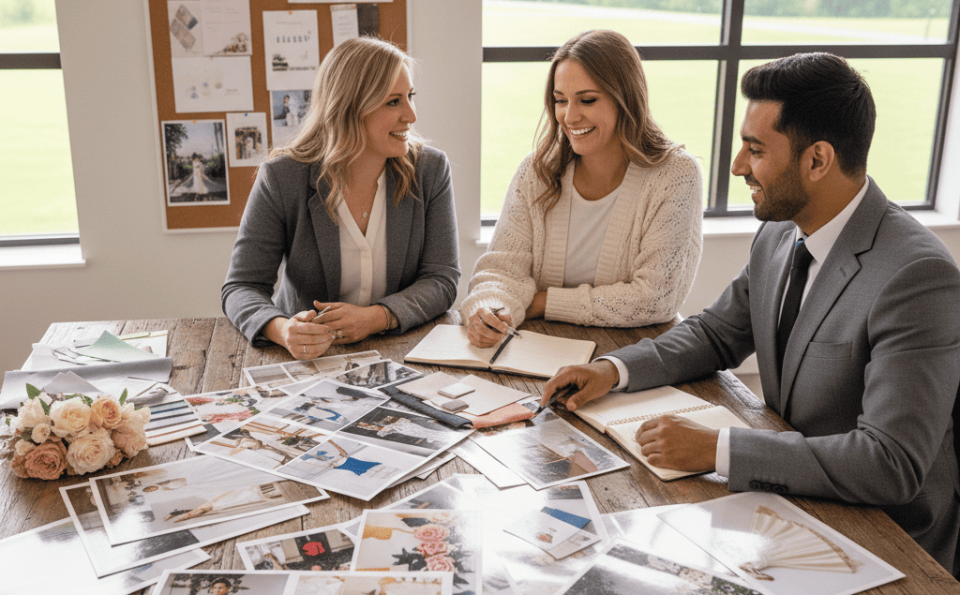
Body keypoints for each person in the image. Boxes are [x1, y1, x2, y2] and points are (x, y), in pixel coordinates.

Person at [542, 52, 960, 575]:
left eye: (755, 149)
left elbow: (889, 463)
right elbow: (717, 333)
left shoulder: (915, 277)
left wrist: (719, 450)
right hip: (787, 507)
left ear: (817, 160)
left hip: (886, 541)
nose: (738, 165)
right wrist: (614, 369)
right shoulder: (782, 230)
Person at [222, 36, 460, 360]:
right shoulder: (282, 177)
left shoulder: (430, 170)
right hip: (309, 361)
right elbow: (241, 287)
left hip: (404, 352)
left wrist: (377, 317)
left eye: (410, 97)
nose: (411, 115)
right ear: (350, 108)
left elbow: (441, 279)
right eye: (393, 102)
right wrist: (283, 330)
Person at [460, 29, 702, 348]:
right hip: (537, 349)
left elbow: (654, 299)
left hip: (633, 354)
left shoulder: (676, 175)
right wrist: (491, 310)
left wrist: (544, 302)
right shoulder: (537, 171)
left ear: (626, 97)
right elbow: (501, 271)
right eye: (561, 101)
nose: (570, 116)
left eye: (587, 100)